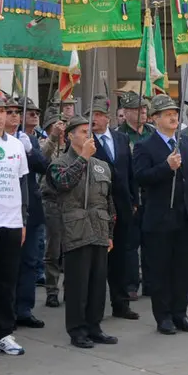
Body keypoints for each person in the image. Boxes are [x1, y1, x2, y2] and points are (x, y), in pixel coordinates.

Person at [45, 115, 118, 348]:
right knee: (78, 284)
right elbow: (63, 183)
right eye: (83, 132)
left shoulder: (102, 165)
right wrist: (83, 158)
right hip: (75, 230)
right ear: (70, 136)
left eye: (91, 132)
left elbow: (108, 202)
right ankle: (77, 329)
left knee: (98, 283)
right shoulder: (59, 163)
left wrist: (110, 233)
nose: (89, 136)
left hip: (98, 228)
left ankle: (94, 326)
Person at [133, 95, 188, 335]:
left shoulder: (186, 142)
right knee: (161, 270)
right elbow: (140, 177)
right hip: (160, 217)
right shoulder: (145, 145)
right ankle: (163, 317)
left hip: (185, 216)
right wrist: (165, 167)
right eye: (167, 113)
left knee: (183, 268)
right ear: (155, 118)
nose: (173, 117)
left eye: (174, 113)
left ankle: (180, 313)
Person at [87, 96, 140, 320]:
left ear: (107, 118)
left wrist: (134, 198)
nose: (95, 120)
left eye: (99, 115)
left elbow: (129, 172)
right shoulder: (87, 142)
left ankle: (121, 303)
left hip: (123, 205)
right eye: (92, 116)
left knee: (122, 256)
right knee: (99, 259)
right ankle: (94, 306)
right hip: (99, 206)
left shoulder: (120, 138)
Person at [0, 94, 29, 357]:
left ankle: (3, 333)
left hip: (12, 224)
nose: (0, 116)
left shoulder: (16, 145)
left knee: (6, 282)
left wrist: (23, 221)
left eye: (3, 111)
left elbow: (22, 184)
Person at [116, 91, 155, 301]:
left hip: (151, 194)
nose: (142, 113)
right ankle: (131, 284)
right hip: (131, 195)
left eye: (144, 109)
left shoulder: (152, 132)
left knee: (152, 241)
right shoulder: (120, 136)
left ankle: (151, 282)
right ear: (126, 112)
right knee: (130, 244)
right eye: (137, 110)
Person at [14, 98, 47, 329]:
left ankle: (24, 309)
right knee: (6, 265)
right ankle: (3, 312)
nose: (14, 116)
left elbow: (44, 166)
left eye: (18, 112)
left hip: (30, 210)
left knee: (29, 262)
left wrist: (29, 150)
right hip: (3, 210)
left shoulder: (29, 139)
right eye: (10, 112)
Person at [40, 107, 66, 307]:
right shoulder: (45, 142)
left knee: (73, 247)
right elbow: (42, 158)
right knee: (53, 249)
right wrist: (53, 138)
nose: (61, 129)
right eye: (57, 126)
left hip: (71, 201)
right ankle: (51, 289)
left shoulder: (73, 144)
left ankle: (72, 288)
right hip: (52, 200)